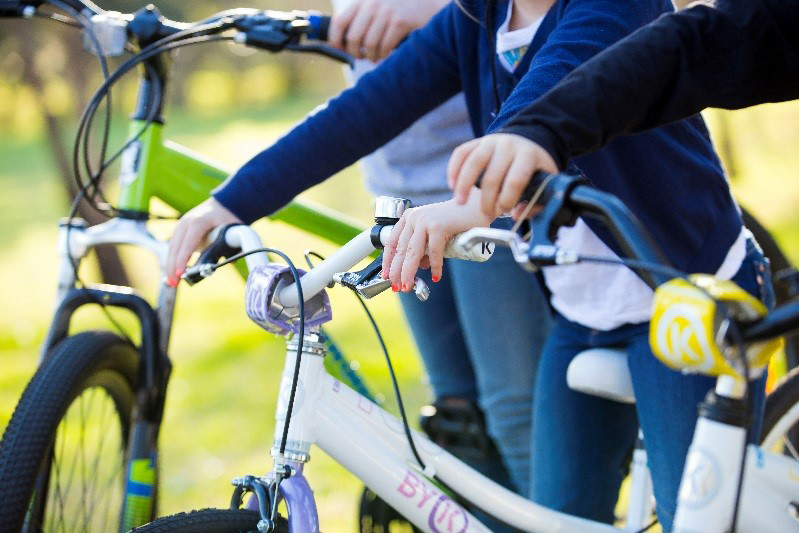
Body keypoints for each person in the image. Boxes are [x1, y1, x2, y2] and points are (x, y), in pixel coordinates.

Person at [166, 0, 754, 528]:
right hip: (582, 316)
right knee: (553, 519)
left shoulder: (618, 6)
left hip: (686, 299)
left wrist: (466, 206)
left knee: (696, 520)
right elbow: (361, 112)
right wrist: (230, 202)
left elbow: (550, 94)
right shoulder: (477, 18)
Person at [326, 0, 553, 512]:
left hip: (486, 185)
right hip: (397, 191)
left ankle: (557, 517)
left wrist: (427, 8)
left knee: (514, 409)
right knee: (455, 413)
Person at [449, 0, 799, 215]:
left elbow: (561, 66)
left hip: (679, 272)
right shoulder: (479, 12)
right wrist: (538, 131)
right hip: (579, 304)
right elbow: (703, 43)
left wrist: (521, 142)